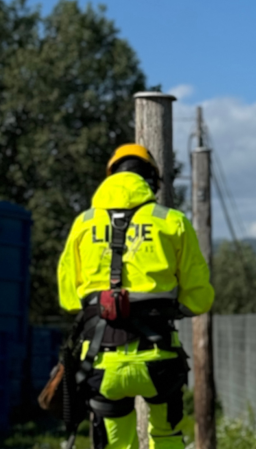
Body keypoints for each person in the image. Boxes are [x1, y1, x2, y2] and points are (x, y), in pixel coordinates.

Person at [57, 144, 214, 449]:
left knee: (115, 444)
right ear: (152, 181)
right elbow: (200, 297)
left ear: (110, 176)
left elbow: (67, 298)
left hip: (101, 361)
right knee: (167, 437)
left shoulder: (83, 224)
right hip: (159, 359)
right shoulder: (172, 221)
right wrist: (166, 308)